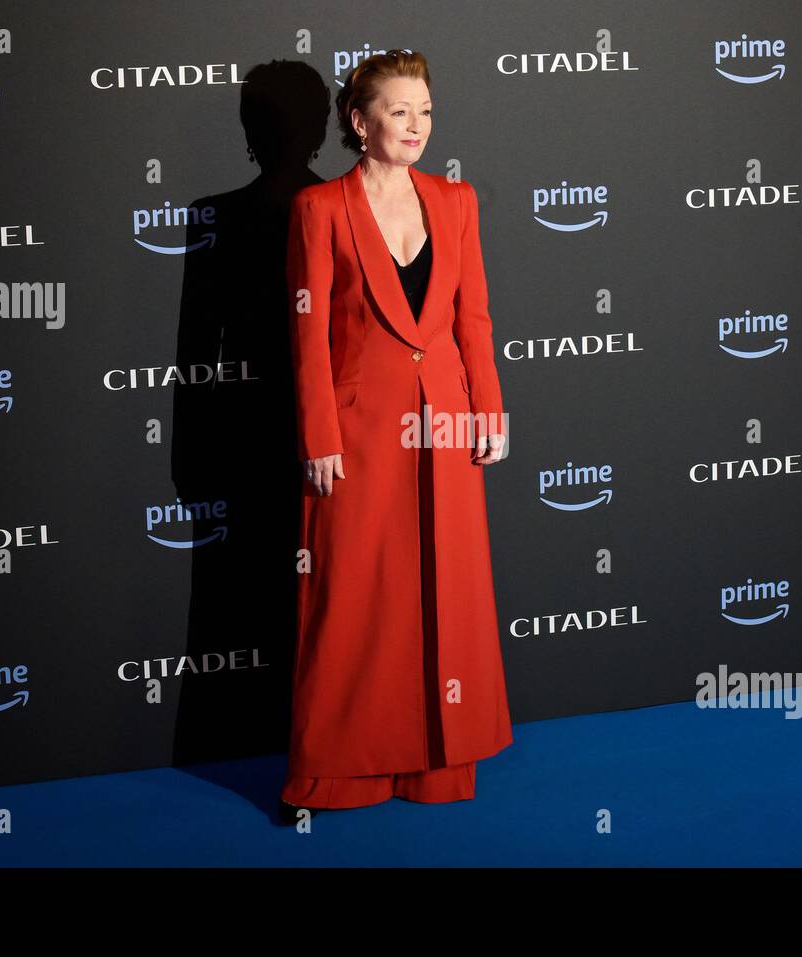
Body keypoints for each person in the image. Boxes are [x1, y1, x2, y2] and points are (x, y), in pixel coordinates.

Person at [279, 50, 512, 823]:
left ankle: (437, 763)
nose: (417, 127)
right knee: (353, 598)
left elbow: (472, 319)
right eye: (399, 112)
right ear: (359, 121)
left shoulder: (457, 200)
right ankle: (339, 771)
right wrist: (319, 435)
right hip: (357, 430)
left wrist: (489, 410)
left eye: (426, 113)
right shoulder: (319, 209)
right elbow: (308, 337)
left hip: (445, 423)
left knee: (442, 593)